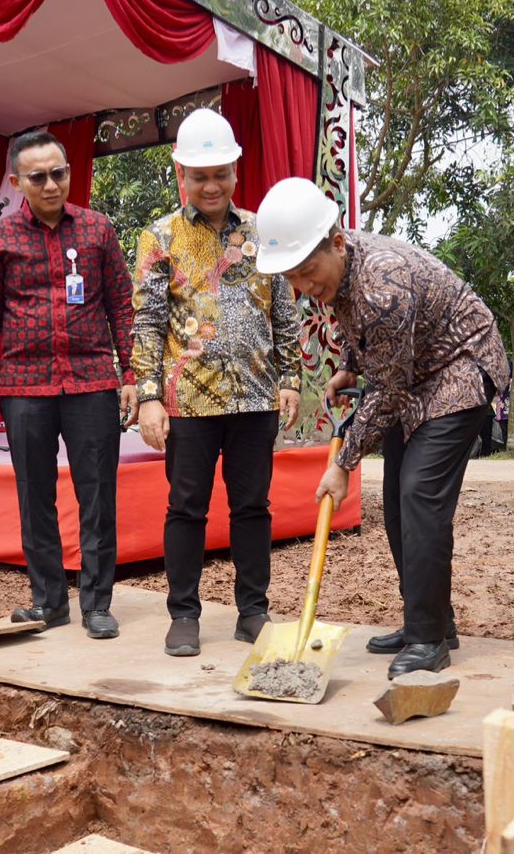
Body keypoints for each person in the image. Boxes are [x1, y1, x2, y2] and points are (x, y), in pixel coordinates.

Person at [254, 177, 508, 678]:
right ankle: (429, 619)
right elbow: (360, 331)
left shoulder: (381, 285)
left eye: (308, 272)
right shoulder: (344, 269)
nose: (304, 288)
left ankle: (429, 638)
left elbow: (388, 392)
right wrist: (349, 362)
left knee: (419, 494)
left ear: (338, 243)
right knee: (396, 501)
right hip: (414, 371)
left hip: (459, 365)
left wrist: (344, 464)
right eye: (292, 278)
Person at [132, 108, 302, 658]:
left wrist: (292, 378)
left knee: (253, 507)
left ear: (236, 171)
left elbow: (284, 311)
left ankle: (253, 610)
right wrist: (151, 396)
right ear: (180, 173)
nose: (211, 185)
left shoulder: (261, 232)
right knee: (187, 508)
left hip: (256, 397)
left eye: (221, 173)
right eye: (200, 175)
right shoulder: (158, 237)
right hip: (188, 402)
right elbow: (148, 322)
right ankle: (184, 613)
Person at [0, 131, 137, 639]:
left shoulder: (98, 230)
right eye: (37, 177)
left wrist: (131, 374)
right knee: (34, 497)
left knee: (98, 495)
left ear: (68, 172)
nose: (50, 184)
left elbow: (122, 309)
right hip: (23, 387)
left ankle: (97, 604)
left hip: (91, 382)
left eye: (58, 173)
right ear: (17, 182)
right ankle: (48, 602)